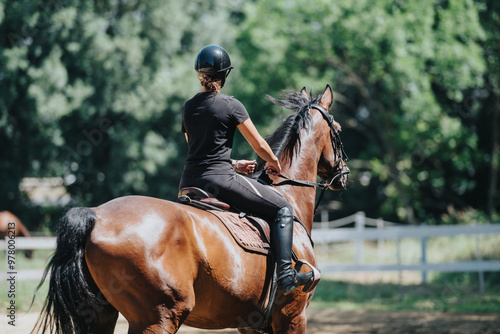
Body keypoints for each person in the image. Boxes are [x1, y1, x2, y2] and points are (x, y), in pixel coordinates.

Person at [179, 45, 312, 295]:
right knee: (283, 208)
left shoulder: (188, 107)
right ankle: (285, 276)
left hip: (188, 182)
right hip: (221, 181)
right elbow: (259, 144)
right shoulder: (231, 105)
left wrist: (235, 164)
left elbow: (196, 151)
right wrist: (274, 162)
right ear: (225, 75)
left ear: (200, 75)